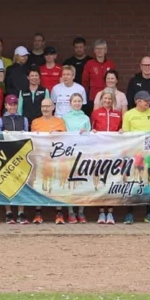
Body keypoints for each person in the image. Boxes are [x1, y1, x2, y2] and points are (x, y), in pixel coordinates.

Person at [121, 90, 150, 224]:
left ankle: (149, 213)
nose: (148, 103)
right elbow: (125, 134)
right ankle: (129, 213)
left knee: (149, 181)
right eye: (146, 101)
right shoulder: (128, 115)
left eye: (149, 100)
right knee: (132, 182)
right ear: (137, 101)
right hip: (135, 154)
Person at [30, 98, 67, 224]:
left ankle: (59, 213)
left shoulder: (60, 122)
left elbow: (65, 139)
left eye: (48, 106)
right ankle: (38, 213)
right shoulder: (35, 122)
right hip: (41, 158)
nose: (45, 109)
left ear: (53, 107)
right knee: (40, 184)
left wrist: (57, 133)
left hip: (56, 160)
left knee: (57, 185)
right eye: (43, 106)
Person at [90, 89, 122, 225]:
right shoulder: (96, 113)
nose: (107, 101)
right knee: (99, 179)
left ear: (113, 100)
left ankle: (110, 212)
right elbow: (92, 128)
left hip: (114, 152)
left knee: (111, 180)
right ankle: (101, 212)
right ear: (102, 99)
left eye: (110, 99)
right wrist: (93, 131)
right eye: (105, 99)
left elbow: (121, 129)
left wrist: (121, 131)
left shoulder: (118, 114)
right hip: (100, 151)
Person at [61, 93, 91, 224]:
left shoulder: (86, 118)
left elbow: (90, 137)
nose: (77, 103)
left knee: (82, 182)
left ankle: (81, 211)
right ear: (70, 102)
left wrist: (87, 133)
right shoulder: (65, 118)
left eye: (79, 101)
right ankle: (70, 212)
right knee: (71, 183)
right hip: (70, 154)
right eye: (75, 101)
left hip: (83, 153)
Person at [81, 39, 115, 105]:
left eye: (101, 48)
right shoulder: (89, 64)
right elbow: (85, 81)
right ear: (94, 51)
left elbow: (114, 80)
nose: (99, 51)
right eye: (97, 48)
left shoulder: (111, 64)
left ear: (105, 50)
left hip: (108, 96)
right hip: (93, 96)